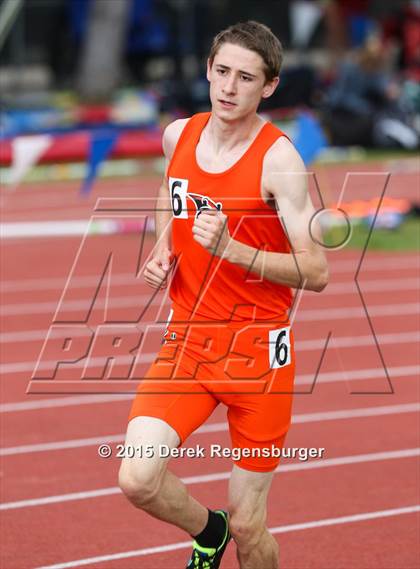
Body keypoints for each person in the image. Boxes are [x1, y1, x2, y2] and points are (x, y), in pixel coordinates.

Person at [119, 20, 329, 569]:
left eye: (245, 77)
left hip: (259, 357)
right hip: (188, 341)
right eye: (221, 72)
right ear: (208, 71)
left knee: (251, 526)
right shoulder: (179, 134)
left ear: (269, 86)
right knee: (137, 478)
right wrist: (165, 244)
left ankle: (230, 531)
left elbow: (317, 270)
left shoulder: (277, 160)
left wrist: (236, 252)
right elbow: (172, 190)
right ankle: (205, 530)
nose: (229, 88)